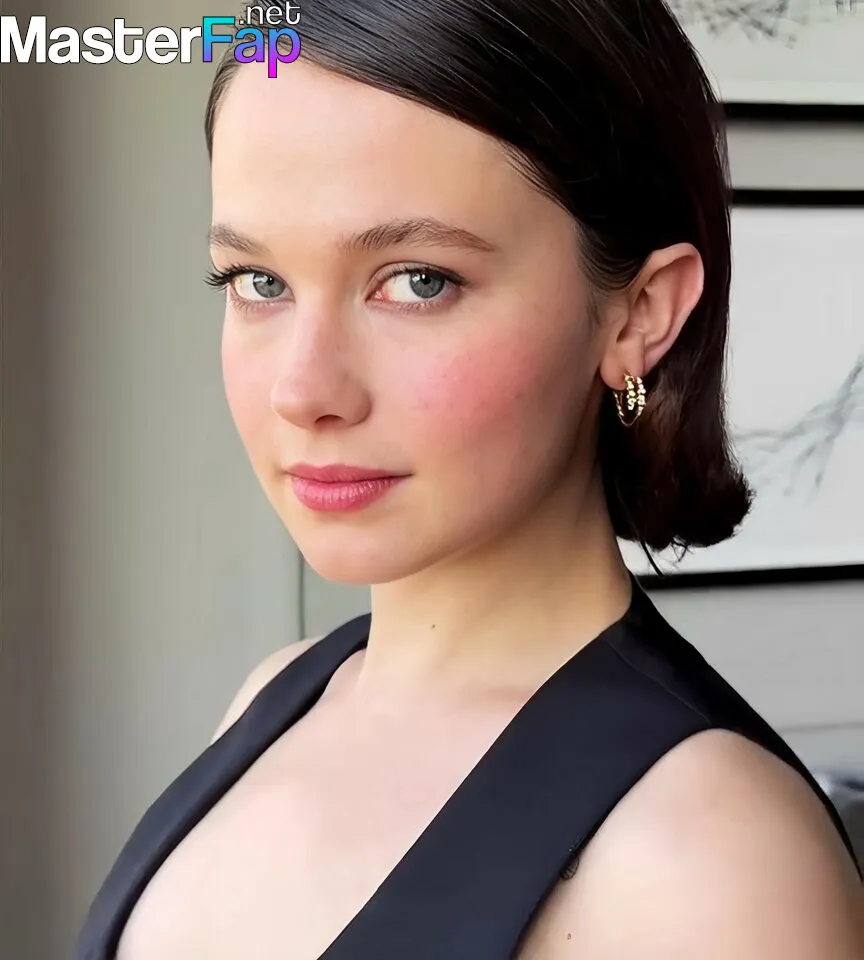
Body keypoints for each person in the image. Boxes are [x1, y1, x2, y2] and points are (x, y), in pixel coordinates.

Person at [74, 0, 864, 957]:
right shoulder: (279, 694)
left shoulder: (710, 860)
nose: (303, 392)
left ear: (639, 315)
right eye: (257, 281)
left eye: (419, 281)